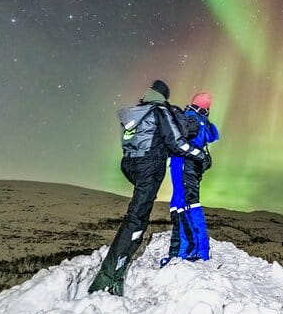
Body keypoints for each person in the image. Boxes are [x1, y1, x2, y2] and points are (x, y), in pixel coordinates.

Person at [88, 80, 205, 296]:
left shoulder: (137, 113)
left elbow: (140, 141)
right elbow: (176, 143)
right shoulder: (160, 111)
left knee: (137, 216)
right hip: (149, 169)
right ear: (163, 96)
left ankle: (115, 269)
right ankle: (109, 277)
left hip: (131, 166)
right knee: (136, 220)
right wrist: (200, 155)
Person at [161, 92, 219, 266]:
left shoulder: (190, 118)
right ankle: (186, 250)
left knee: (184, 205)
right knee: (185, 203)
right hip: (191, 168)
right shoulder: (202, 121)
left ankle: (190, 251)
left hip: (183, 164)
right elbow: (208, 136)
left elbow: (180, 141)